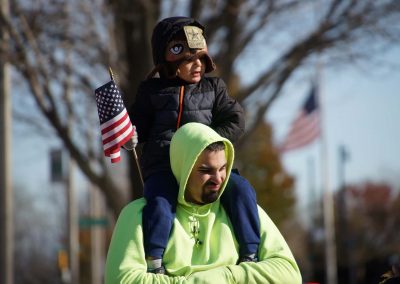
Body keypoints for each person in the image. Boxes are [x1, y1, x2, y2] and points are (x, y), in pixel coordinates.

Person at [128, 16, 260, 273]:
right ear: (169, 61)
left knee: (242, 190)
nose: (197, 66)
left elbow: (236, 119)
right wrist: (130, 135)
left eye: (201, 59)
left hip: (210, 169)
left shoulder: (214, 88)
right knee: (159, 200)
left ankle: (251, 252)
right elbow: (138, 126)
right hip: (165, 166)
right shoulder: (151, 92)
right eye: (189, 61)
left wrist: (209, 143)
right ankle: (155, 260)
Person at [105, 122, 302, 283]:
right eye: (206, 170)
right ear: (184, 168)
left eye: (223, 168)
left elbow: (290, 275)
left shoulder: (244, 211)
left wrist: (227, 276)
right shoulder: (138, 215)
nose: (218, 178)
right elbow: (122, 280)